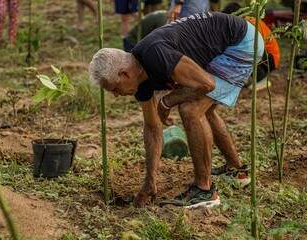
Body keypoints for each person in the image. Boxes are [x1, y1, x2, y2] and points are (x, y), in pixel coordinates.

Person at [89, 11, 264, 208]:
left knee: (191, 109)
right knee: (204, 108)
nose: (115, 94)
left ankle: (205, 191)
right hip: (227, 41)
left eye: (113, 88)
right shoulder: (140, 78)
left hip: (241, 41)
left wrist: (166, 102)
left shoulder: (155, 53)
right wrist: (150, 180)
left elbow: (206, 84)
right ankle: (237, 170)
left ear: (124, 73)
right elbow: (153, 128)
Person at [222, 2, 281, 91]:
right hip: (266, 55)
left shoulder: (250, 23)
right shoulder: (244, 22)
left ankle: (261, 79)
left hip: (270, 58)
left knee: (244, 49)